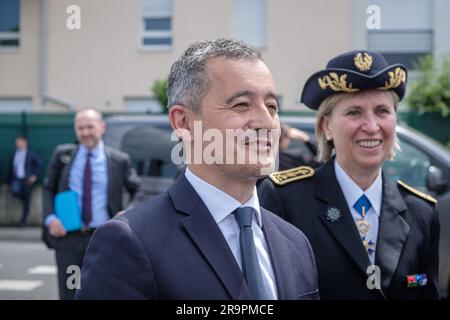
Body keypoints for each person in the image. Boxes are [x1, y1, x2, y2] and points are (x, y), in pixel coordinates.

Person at [75, 38, 319, 300]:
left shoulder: (295, 242)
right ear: (184, 122)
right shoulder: (129, 242)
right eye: (241, 105)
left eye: (272, 107)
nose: (266, 122)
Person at [258, 50, 440, 299]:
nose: (372, 126)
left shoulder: (421, 213)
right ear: (326, 126)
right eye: (354, 112)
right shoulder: (287, 200)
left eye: (382, 111)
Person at [42, 108, 142, 300]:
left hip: (105, 238)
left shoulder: (119, 160)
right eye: (80, 128)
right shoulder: (63, 155)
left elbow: (138, 190)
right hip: (69, 238)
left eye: (90, 127)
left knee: (105, 292)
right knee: (70, 294)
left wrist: (128, 212)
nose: (85, 132)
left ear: (102, 127)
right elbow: (48, 188)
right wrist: (50, 218)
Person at [7, 135, 43, 226]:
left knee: (27, 201)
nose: (18, 144)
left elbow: (39, 164)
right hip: (16, 179)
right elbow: (11, 168)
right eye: (17, 142)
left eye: (20, 142)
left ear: (25, 143)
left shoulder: (31, 153)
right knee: (15, 192)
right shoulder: (14, 153)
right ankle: (24, 199)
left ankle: (23, 221)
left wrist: (34, 176)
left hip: (27, 180)